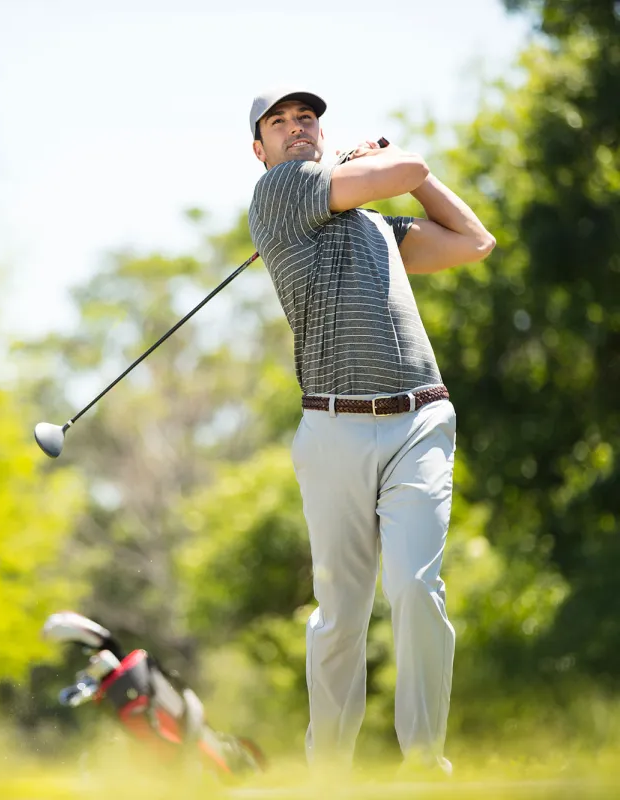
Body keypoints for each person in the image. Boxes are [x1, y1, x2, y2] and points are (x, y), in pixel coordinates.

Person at [246, 87, 495, 773]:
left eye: (308, 120)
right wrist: (386, 159)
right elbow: (406, 172)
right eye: (281, 122)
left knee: (416, 588)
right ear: (259, 147)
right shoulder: (278, 193)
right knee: (340, 618)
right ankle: (329, 774)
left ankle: (424, 761)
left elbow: (476, 242)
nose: (298, 129)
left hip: (419, 418)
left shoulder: (377, 228)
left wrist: (400, 170)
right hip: (334, 431)